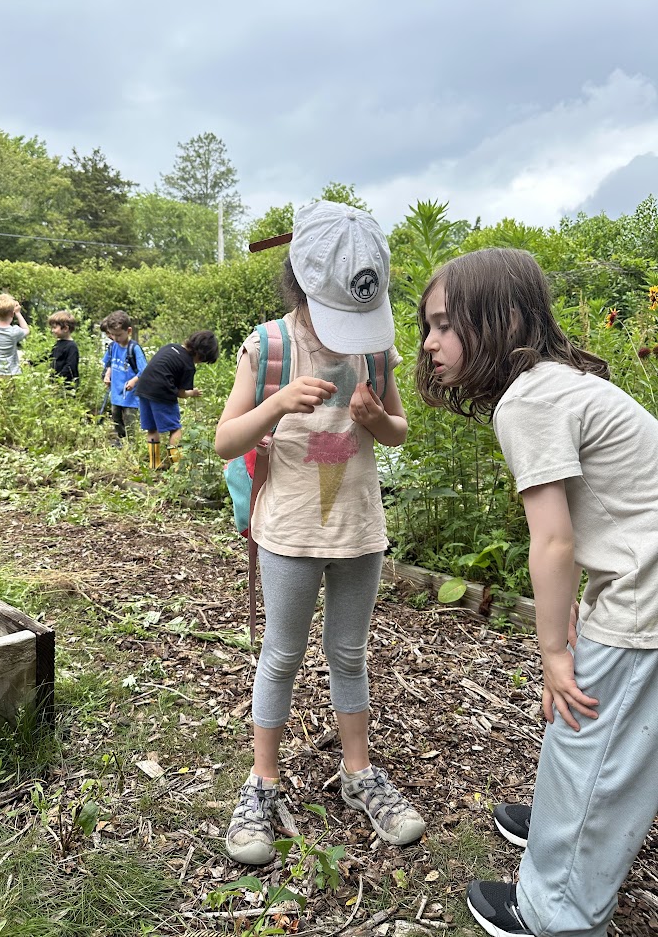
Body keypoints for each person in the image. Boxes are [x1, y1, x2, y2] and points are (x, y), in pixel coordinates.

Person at [416, 247, 658, 937]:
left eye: (443, 325)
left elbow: (553, 541)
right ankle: (559, 820)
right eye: (426, 326)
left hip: (646, 589)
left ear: (502, 319)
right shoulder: (555, 383)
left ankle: (554, 915)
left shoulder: (528, 401)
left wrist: (553, 650)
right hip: (637, 569)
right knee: (591, 734)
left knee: (591, 740)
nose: (429, 343)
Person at [215, 200, 424, 867]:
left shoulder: (376, 350)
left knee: (349, 652)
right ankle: (262, 781)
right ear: (302, 282)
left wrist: (373, 417)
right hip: (290, 532)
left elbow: (398, 429)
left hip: (359, 529)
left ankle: (359, 772)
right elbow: (226, 441)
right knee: (281, 654)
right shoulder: (269, 346)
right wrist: (275, 403)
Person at [136, 330, 219, 469]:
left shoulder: (170, 347)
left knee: (152, 428)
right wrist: (192, 393)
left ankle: (154, 464)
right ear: (201, 354)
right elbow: (181, 393)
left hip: (144, 388)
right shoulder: (188, 365)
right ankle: (178, 467)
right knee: (175, 429)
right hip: (162, 393)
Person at [101, 310, 147, 440]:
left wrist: (133, 381)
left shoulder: (134, 349)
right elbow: (109, 363)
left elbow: (144, 370)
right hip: (116, 393)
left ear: (129, 331)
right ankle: (121, 441)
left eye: (119, 335)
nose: (115, 338)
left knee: (129, 420)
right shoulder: (112, 346)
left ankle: (132, 444)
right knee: (116, 417)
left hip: (131, 395)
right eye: (112, 334)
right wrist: (107, 375)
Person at [48, 310, 80, 387]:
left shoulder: (72, 346)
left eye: (55, 328)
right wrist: (32, 362)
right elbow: (48, 355)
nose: (52, 330)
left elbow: (70, 367)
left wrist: (59, 380)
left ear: (65, 328)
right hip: (56, 383)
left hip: (67, 385)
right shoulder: (58, 343)